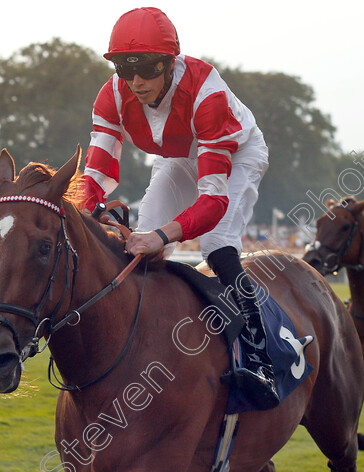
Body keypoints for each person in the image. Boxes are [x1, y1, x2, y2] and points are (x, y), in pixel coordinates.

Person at [76, 7, 277, 408]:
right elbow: (96, 172)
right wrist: (85, 211)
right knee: (137, 251)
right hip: (175, 155)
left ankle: (260, 357)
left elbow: (213, 202)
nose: (135, 82)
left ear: (170, 63)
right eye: (123, 69)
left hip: (234, 155)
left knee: (216, 244)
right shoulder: (111, 95)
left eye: (147, 69)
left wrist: (163, 235)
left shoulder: (207, 95)